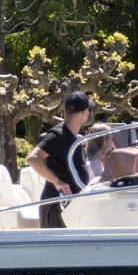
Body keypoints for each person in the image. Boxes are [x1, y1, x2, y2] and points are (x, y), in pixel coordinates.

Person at [27, 92, 94, 228]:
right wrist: (57, 182)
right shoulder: (58, 135)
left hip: (69, 206)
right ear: (83, 114)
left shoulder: (72, 137)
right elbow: (33, 158)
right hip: (57, 207)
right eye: (88, 110)